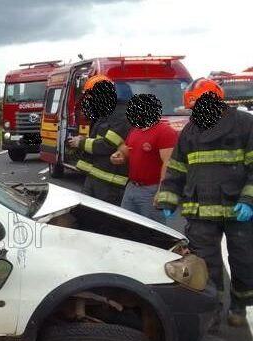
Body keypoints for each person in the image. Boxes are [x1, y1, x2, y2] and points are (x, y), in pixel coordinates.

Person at [156, 78, 253, 327]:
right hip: (200, 211)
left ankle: (240, 306)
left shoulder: (245, 124)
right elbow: (177, 168)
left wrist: (248, 200)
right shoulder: (190, 130)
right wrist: (168, 197)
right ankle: (213, 311)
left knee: (244, 261)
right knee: (205, 265)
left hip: (237, 210)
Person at [67, 75, 132, 206]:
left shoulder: (123, 115)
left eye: (91, 97)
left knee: (107, 222)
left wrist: (80, 143)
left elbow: (108, 145)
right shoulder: (106, 113)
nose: (89, 100)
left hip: (111, 183)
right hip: (94, 177)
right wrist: (84, 140)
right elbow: (98, 139)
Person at [113, 94, 178, 223]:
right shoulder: (135, 130)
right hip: (131, 187)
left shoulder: (165, 132)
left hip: (150, 191)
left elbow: (169, 163)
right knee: (125, 225)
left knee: (152, 230)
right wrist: (118, 155)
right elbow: (125, 150)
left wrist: (162, 191)